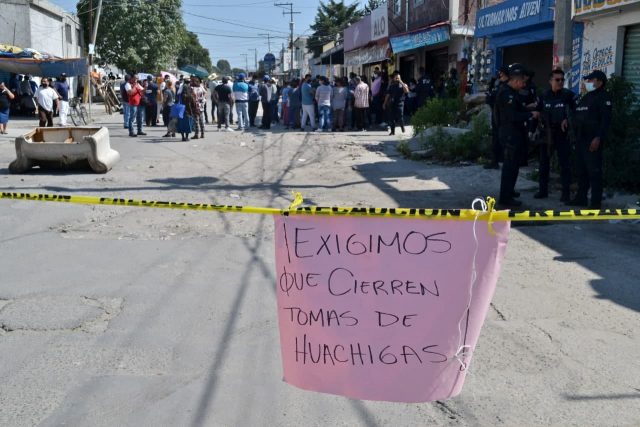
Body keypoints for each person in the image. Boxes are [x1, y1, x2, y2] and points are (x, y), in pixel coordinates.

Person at [495, 67, 540, 207]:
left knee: (514, 166)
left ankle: (510, 191)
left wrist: (528, 108)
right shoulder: (506, 94)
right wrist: (530, 115)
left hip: (514, 133)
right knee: (510, 167)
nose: (524, 85)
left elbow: (517, 109)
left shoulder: (512, 93)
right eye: (522, 82)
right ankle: (505, 198)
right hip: (509, 134)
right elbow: (512, 116)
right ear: (515, 81)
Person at [569, 70, 612, 209]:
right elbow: (578, 114)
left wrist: (598, 137)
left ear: (599, 82)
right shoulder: (587, 97)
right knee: (581, 171)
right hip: (581, 139)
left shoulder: (604, 97)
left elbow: (605, 121)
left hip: (593, 140)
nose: (588, 83)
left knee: (594, 172)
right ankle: (581, 198)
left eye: (590, 80)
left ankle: (595, 202)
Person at [537, 69, 576, 202]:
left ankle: (566, 193)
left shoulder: (568, 95)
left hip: (562, 133)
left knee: (565, 164)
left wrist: (567, 119)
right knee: (543, 164)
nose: (560, 82)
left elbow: (575, 113)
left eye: (562, 80)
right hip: (547, 133)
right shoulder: (544, 95)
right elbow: (538, 111)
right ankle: (542, 190)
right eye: (557, 80)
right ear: (550, 81)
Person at [484, 66, 510, 169]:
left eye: (500, 73)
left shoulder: (507, 86)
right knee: (495, 139)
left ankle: (503, 160)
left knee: (503, 139)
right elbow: (490, 97)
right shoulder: (499, 84)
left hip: (504, 117)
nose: (499, 75)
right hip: (496, 115)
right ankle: (495, 161)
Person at [384, 71, 409, 135]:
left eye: (398, 78)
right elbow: (388, 95)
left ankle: (402, 127)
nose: (397, 79)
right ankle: (392, 131)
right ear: (394, 78)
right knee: (392, 118)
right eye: (396, 78)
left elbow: (406, 91)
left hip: (400, 103)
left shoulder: (403, 84)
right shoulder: (392, 86)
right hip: (392, 103)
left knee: (400, 117)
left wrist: (401, 82)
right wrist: (384, 103)